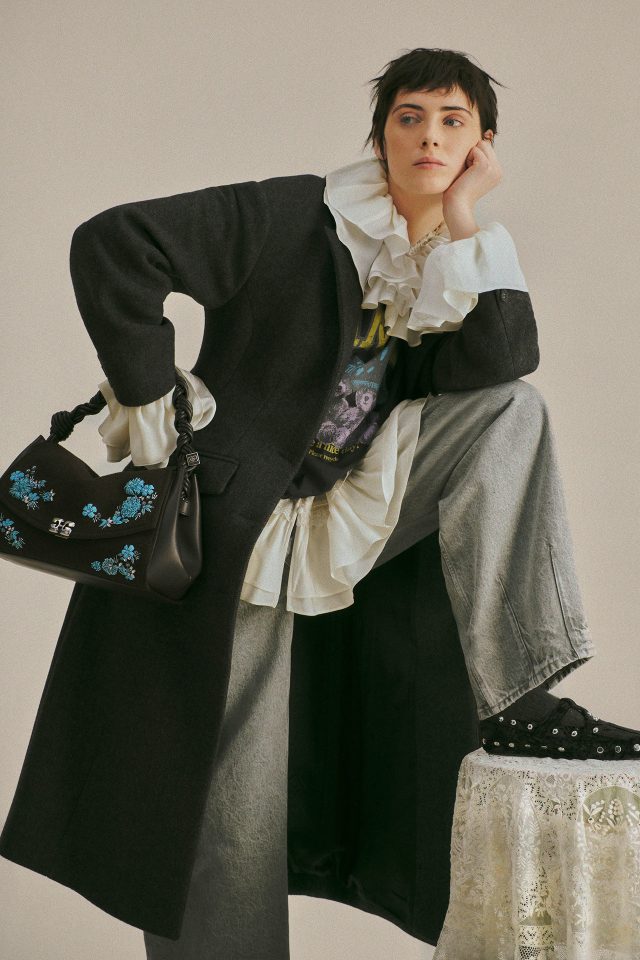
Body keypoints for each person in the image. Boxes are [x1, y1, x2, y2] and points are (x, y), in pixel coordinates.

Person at [2, 47, 639, 959]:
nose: (428, 137)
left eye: (453, 121)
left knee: (514, 410)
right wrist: (150, 397)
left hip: (351, 508)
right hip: (234, 531)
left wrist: (464, 217)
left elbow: (502, 365)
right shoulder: (292, 216)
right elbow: (114, 241)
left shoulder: (446, 263)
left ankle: (520, 695)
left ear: (481, 146)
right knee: (229, 806)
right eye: (409, 117)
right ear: (381, 136)